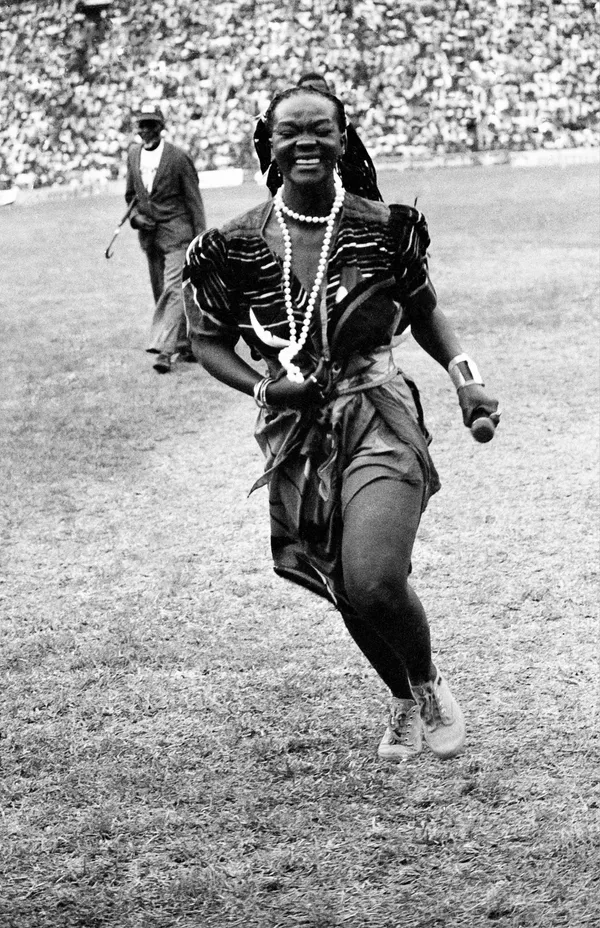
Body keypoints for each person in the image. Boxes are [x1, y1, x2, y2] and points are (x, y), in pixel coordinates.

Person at [183, 86, 500, 762]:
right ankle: (401, 700)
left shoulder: (384, 227)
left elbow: (424, 311)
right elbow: (205, 340)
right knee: (341, 584)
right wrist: (267, 386)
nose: (306, 141)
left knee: (374, 575)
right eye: (290, 130)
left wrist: (466, 377)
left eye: (320, 129)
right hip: (298, 438)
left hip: (379, 411)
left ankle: (428, 683)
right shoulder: (231, 246)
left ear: (341, 137)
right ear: (267, 142)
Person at [125, 101, 206, 374]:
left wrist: (200, 239)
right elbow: (131, 197)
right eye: (142, 125)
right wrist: (136, 219)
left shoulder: (178, 157)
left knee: (173, 288)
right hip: (150, 237)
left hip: (178, 234)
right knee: (162, 290)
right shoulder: (133, 155)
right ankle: (184, 344)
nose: (146, 130)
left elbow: (194, 201)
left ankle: (164, 350)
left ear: (161, 127)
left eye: (151, 124)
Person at [253, 72, 383, 202]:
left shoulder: (342, 123)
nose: (306, 142)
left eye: (323, 131)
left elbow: (361, 165)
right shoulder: (280, 120)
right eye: (289, 134)